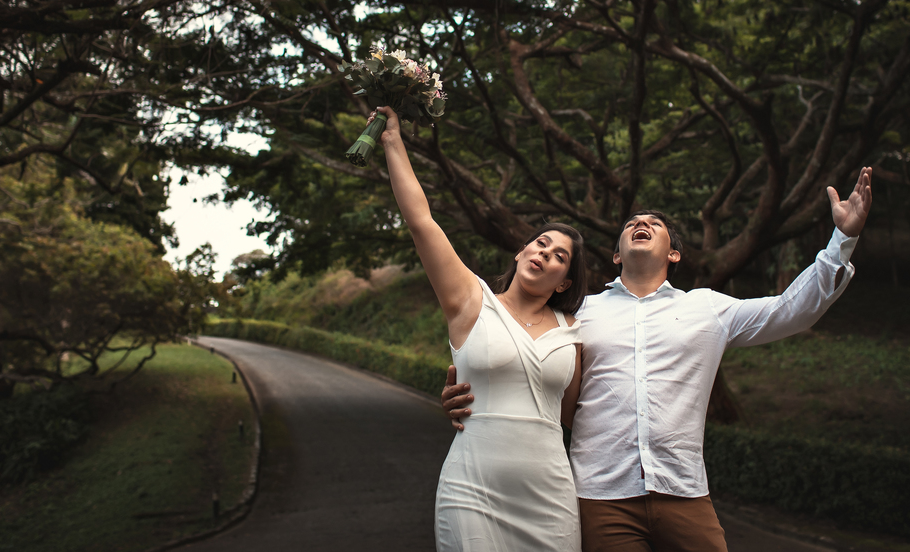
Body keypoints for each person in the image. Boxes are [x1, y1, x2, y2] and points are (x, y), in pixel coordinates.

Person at [443, 168, 874, 552]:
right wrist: (468, 392)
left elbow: (790, 310)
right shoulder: (577, 315)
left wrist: (843, 241)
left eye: (654, 224)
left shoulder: (708, 308)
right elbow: (512, 355)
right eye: (632, 223)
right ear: (616, 255)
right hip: (600, 497)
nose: (642, 224)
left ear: (674, 254)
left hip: (684, 492)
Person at [373, 105, 590, 552]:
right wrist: (394, 140)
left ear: (564, 281)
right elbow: (421, 221)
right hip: (472, 489)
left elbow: (574, 418)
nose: (545, 254)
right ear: (520, 251)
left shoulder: (576, 332)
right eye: (540, 243)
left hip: (550, 496)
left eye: (559, 256)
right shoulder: (470, 302)